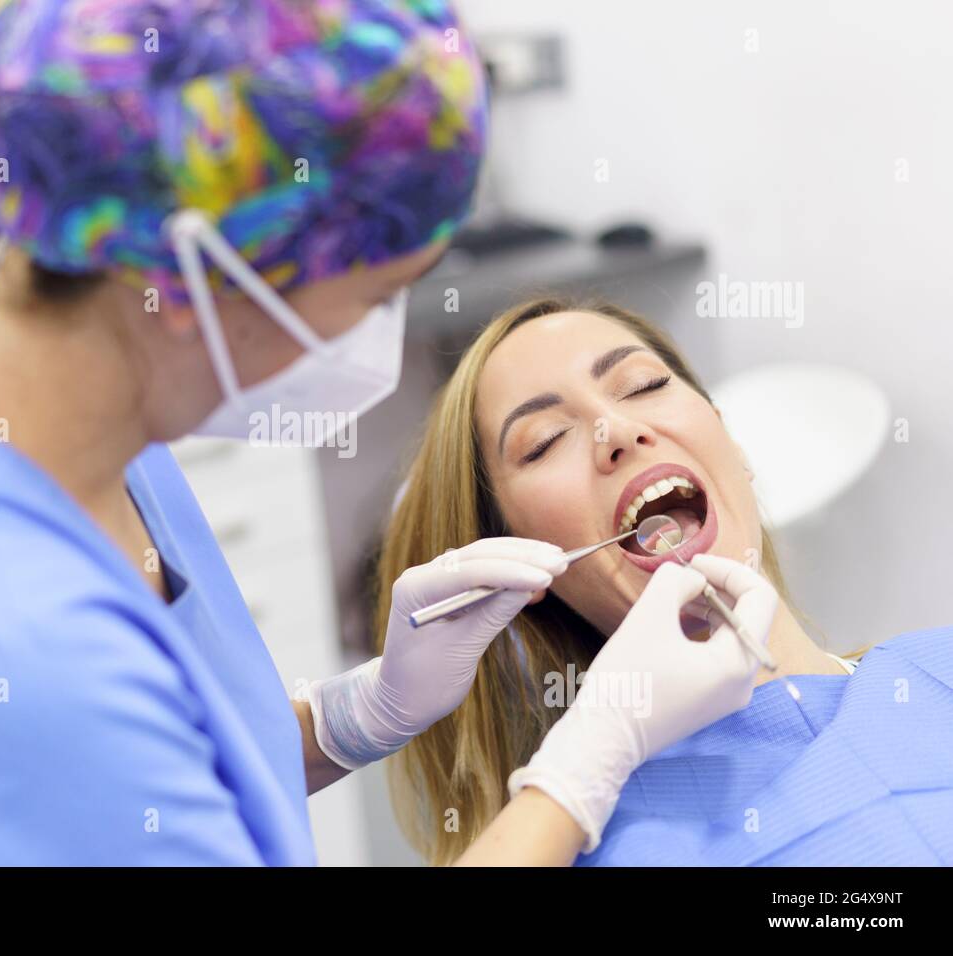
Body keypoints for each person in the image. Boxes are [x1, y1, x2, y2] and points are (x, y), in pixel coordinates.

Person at [0, 0, 772, 866]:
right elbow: (81, 756)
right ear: (192, 275)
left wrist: (349, 714)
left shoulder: (79, 445)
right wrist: (581, 768)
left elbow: (149, 772)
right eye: (372, 294)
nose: (376, 340)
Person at [375, 295, 953, 866]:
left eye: (644, 385)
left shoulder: (935, 672)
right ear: (520, 566)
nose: (618, 430)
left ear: (732, 443)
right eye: (546, 440)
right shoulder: (584, 839)